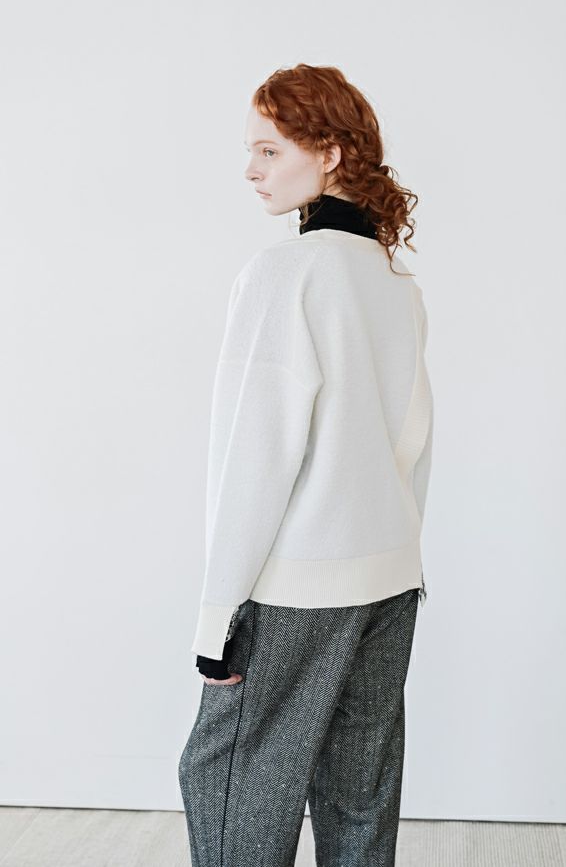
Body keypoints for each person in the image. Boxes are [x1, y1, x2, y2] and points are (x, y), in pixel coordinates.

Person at [178, 62, 433, 867]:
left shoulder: (284, 274)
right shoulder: (393, 280)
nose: (251, 170)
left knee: (233, 782)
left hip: (297, 590)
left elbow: (255, 457)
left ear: (328, 152)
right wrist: (396, 549)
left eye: (269, 150)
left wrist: (218, 619)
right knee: (359, 793)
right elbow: (413, 442)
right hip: (390, 578)